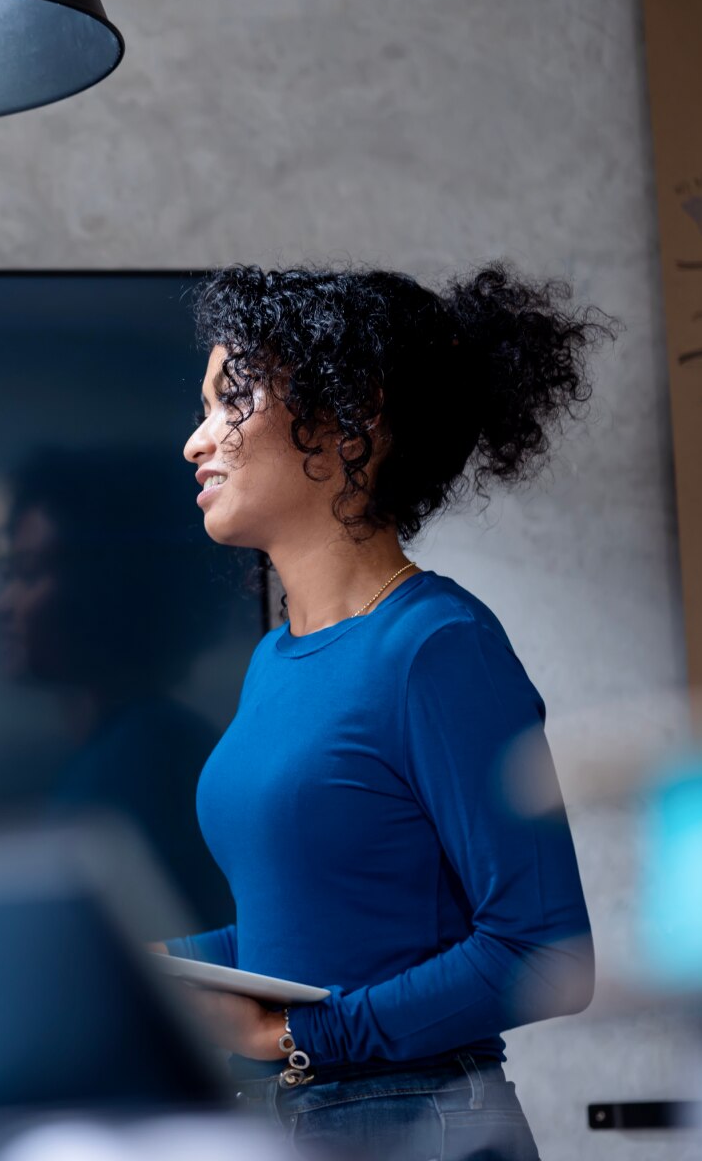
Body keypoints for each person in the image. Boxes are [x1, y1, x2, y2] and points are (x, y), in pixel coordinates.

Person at [162, 265, 605, 1160]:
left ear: (346, 413)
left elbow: (546, 950)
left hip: (422, 1121)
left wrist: (304, 1038)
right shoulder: (272, 659)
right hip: (302, 1121)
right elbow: (322, 924)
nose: (194, 443)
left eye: (230, 401)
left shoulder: (439, 646)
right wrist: (149, 965)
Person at [0, 446, 233, 931]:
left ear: (104, 588)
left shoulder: (140, 765)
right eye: (10, 575)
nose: (4, 605)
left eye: (30, 573)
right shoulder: (151, 746)